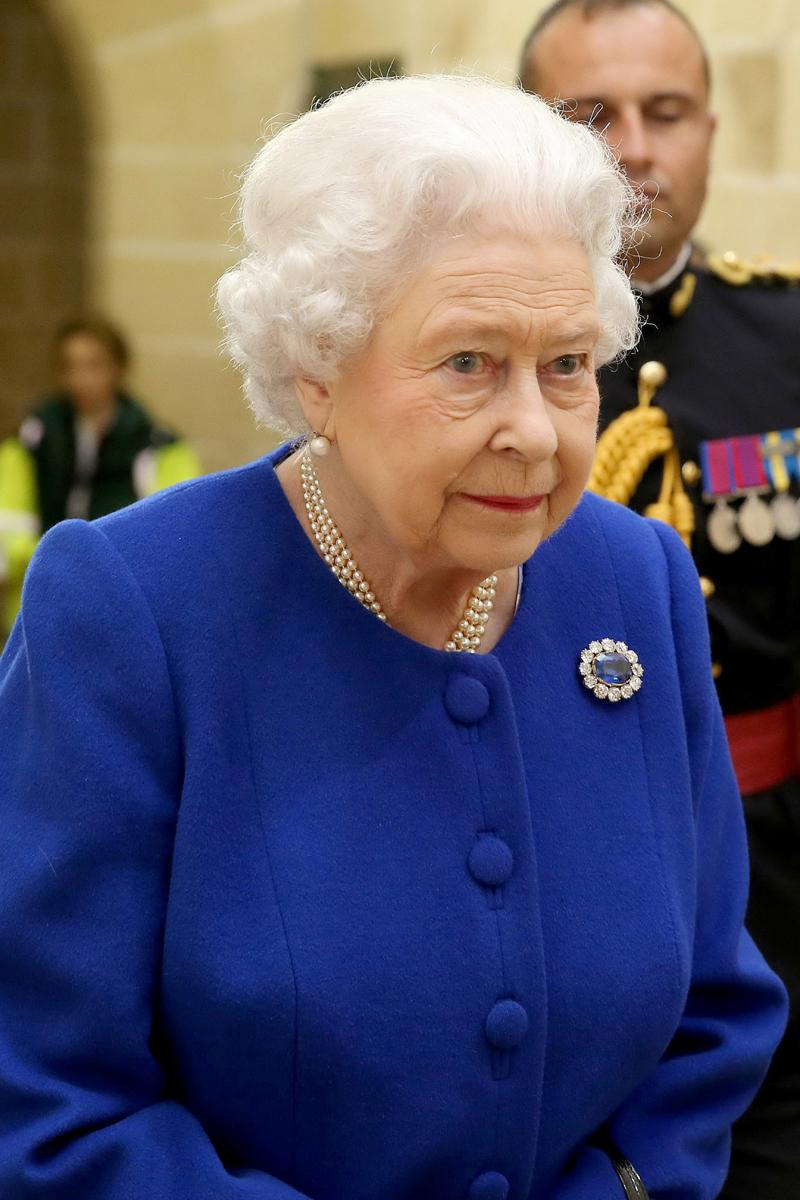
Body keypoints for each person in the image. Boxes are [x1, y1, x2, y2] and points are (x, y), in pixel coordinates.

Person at [0, 74, 786, 1200]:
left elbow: (713, 1014)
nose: (531, 428)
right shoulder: (131, 609)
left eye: (565, 365)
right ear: (317, 369)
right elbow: (46, 1099)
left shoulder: (636, 577)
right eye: (468, 362)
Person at [518, 4, 800, 1197]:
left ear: (708, 133)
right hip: (534, 845)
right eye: (588, 117)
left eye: (663, 112)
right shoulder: (462, 350)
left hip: (773, 860)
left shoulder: (785, 333)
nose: (631, 146)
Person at [0, 316, 201, 632]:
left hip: (117, 613)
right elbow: (8, 527)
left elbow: (172, 535)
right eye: (71, 367)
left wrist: (95, 571)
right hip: (36, 611)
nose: (82, 379)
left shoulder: (159, 448)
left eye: (94, 365)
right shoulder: (32, 438)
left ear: (119, 369)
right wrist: (60, 565)